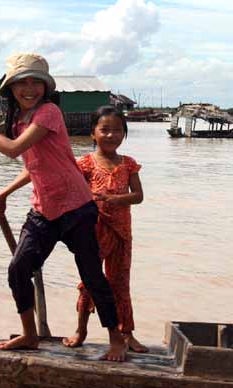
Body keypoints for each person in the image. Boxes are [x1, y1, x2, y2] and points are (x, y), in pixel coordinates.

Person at [0, 53, 127, 362]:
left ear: (46, 88)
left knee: (92, 276)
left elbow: (12, 150)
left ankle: (116, 340)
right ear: (11, 89)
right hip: (43, 211)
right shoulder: (19, 121)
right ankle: (30, 335)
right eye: (21, 83)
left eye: (36, 83)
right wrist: (4, 193)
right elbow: (33, 165)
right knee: (18, 269)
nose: (29, 89)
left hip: (76, 208)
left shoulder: (49, 112)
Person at [62, 106, 147, 353]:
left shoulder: (128, 164)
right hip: (93, 231)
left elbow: (139, 196)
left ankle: (127, 333)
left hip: (121, 232)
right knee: (89, 282)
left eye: (118, 130)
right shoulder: (85, 163)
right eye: (105, 130)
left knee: (121, 282)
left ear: (125, 134)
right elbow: (72, 193)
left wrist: (114, 200)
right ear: (93, 134)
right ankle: (81, 330)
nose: (111, 135)